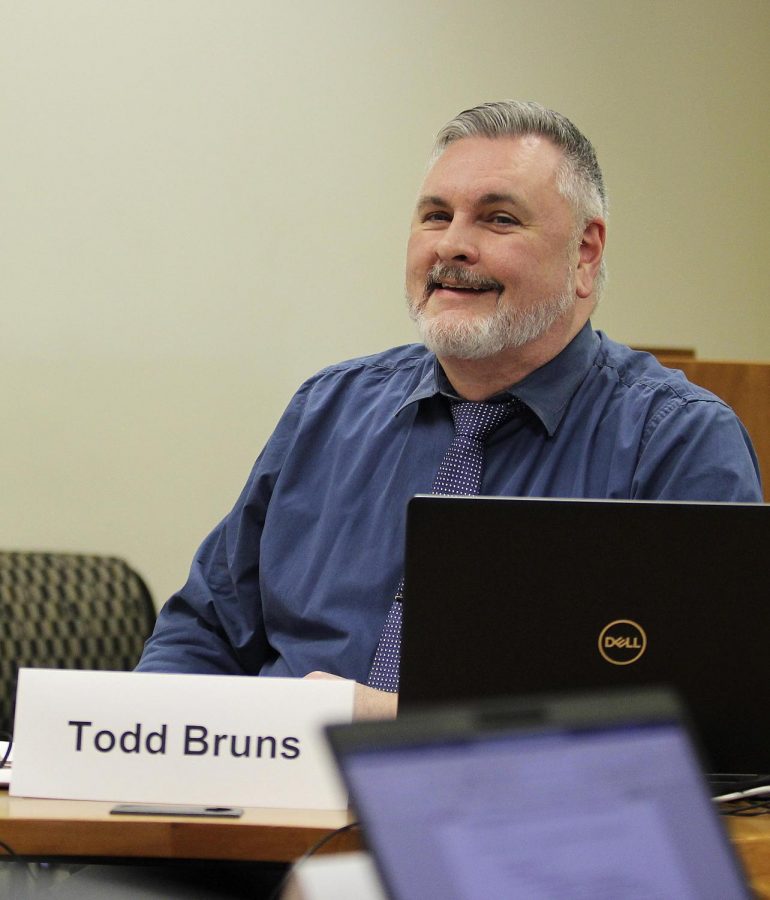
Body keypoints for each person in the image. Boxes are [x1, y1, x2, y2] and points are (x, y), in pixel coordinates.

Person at [137, 100, 762, 719]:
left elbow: (701, 717)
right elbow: (203, 634)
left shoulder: (676, 440)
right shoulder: (328, 409)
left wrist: (388, 719)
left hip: (520, 812)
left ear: (585, 253)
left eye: (498, 219)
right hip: (281, 797)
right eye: (436, 216)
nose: (454, 246)